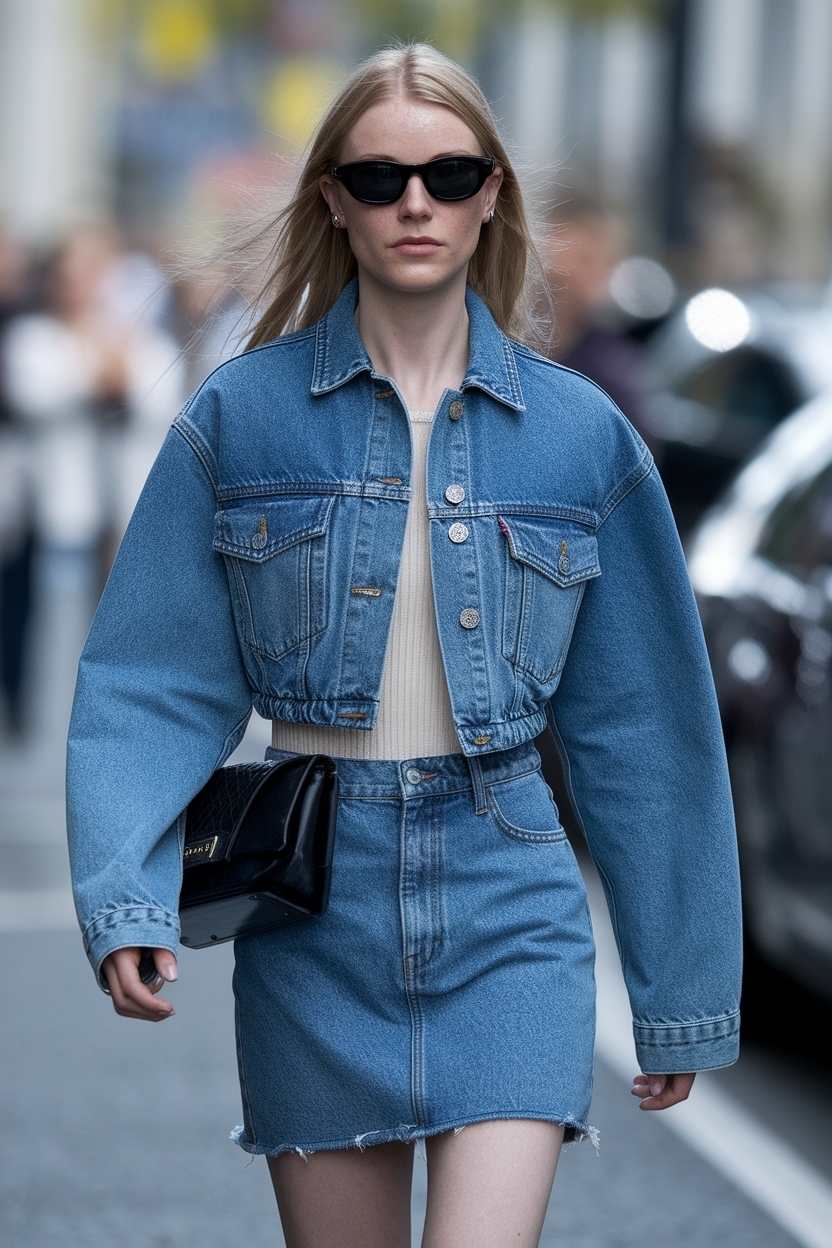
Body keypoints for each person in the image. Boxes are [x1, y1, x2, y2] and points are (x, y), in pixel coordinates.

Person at [67, 44, 742, 1248]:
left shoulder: (582, 438)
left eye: (448, 173)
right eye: (378, 178)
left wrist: (678, 993)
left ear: (492, 195)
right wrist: (125, 898)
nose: (414, 202)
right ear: (332, 194)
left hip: (510, 899)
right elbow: (150, 682)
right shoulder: (239, 417)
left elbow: (643, 726)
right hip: (311, 905)